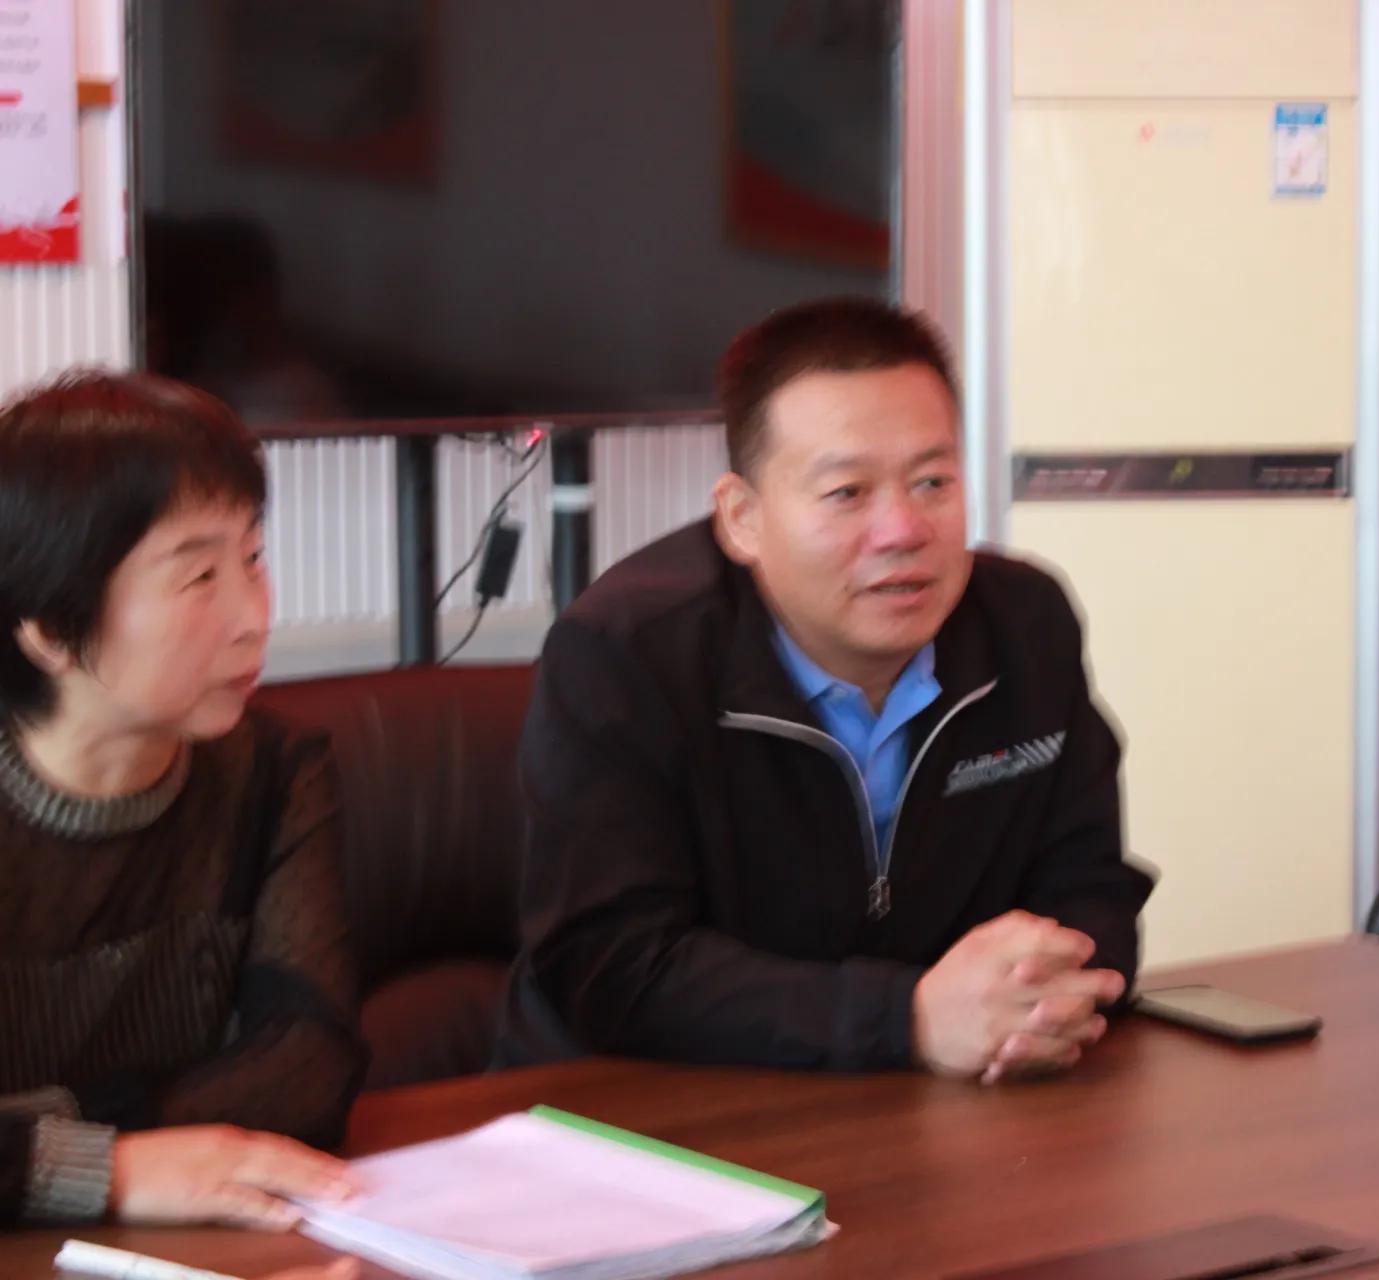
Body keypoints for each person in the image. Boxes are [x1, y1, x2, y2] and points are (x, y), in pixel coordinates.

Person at [502, 297, 1153, 1082]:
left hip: (939, 1096)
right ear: (742, 518)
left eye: (933, 482)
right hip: (649, 1109)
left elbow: (1089, 885)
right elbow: (610, 965)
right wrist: (907, 1018)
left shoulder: (1024, 624)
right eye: (848, 492)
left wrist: (1050, 996)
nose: (904, 530)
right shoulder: (626, 653)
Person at [0, 372, 364, 1229]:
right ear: (50, 629)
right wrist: (109, 1166)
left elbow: (310, 1069)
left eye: (253, 559)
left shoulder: (274, 771)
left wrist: (33, 1137)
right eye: (199, 577)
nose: (254, 617)